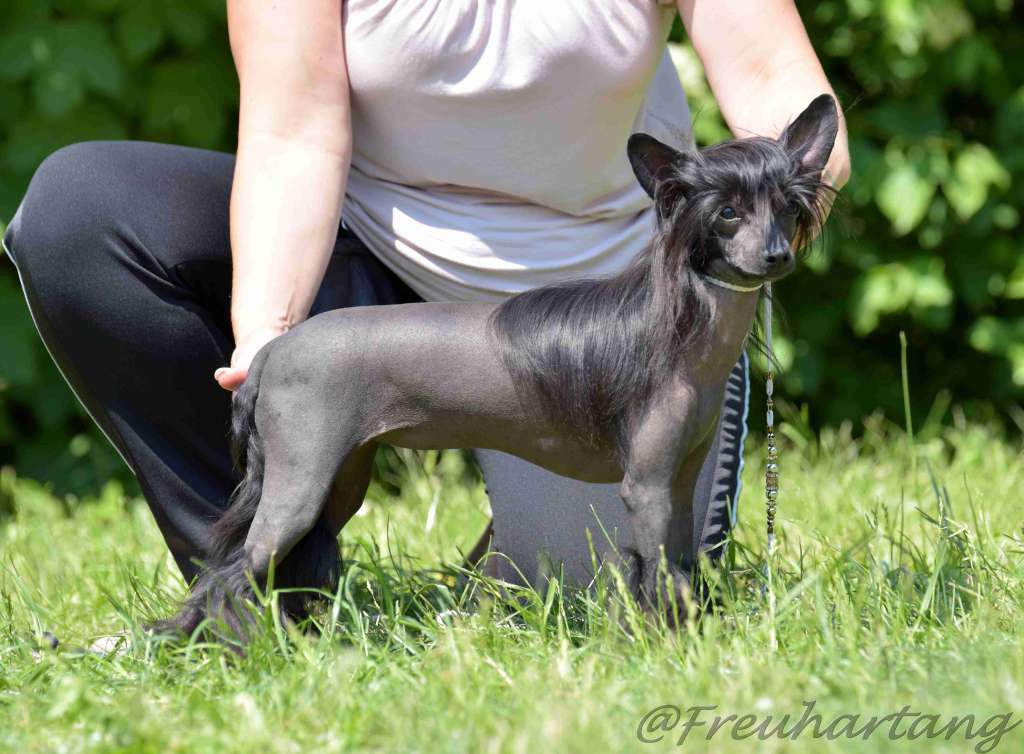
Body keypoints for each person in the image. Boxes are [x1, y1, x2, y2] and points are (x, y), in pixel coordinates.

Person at [3, 0, 850, 591]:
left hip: (604, 329)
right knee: (82, 211)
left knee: (602, 590)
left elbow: (780, 84)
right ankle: (272, 590)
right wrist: (267, 334)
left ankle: (512, 539)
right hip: (377, 261)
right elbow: (292, 133)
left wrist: (763, 217)